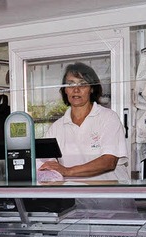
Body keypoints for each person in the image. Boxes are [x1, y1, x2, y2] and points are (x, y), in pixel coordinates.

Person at [39, 61, 135, 211]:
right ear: (65, 91)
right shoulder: (56, 128)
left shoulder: (108, 118)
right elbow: (45, 167)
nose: (76, 90)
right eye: (70, 84)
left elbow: (109, 162)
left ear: (91, 89)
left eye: (82, 84)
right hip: (74, 207)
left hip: (111, 205)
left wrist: (67, 171)